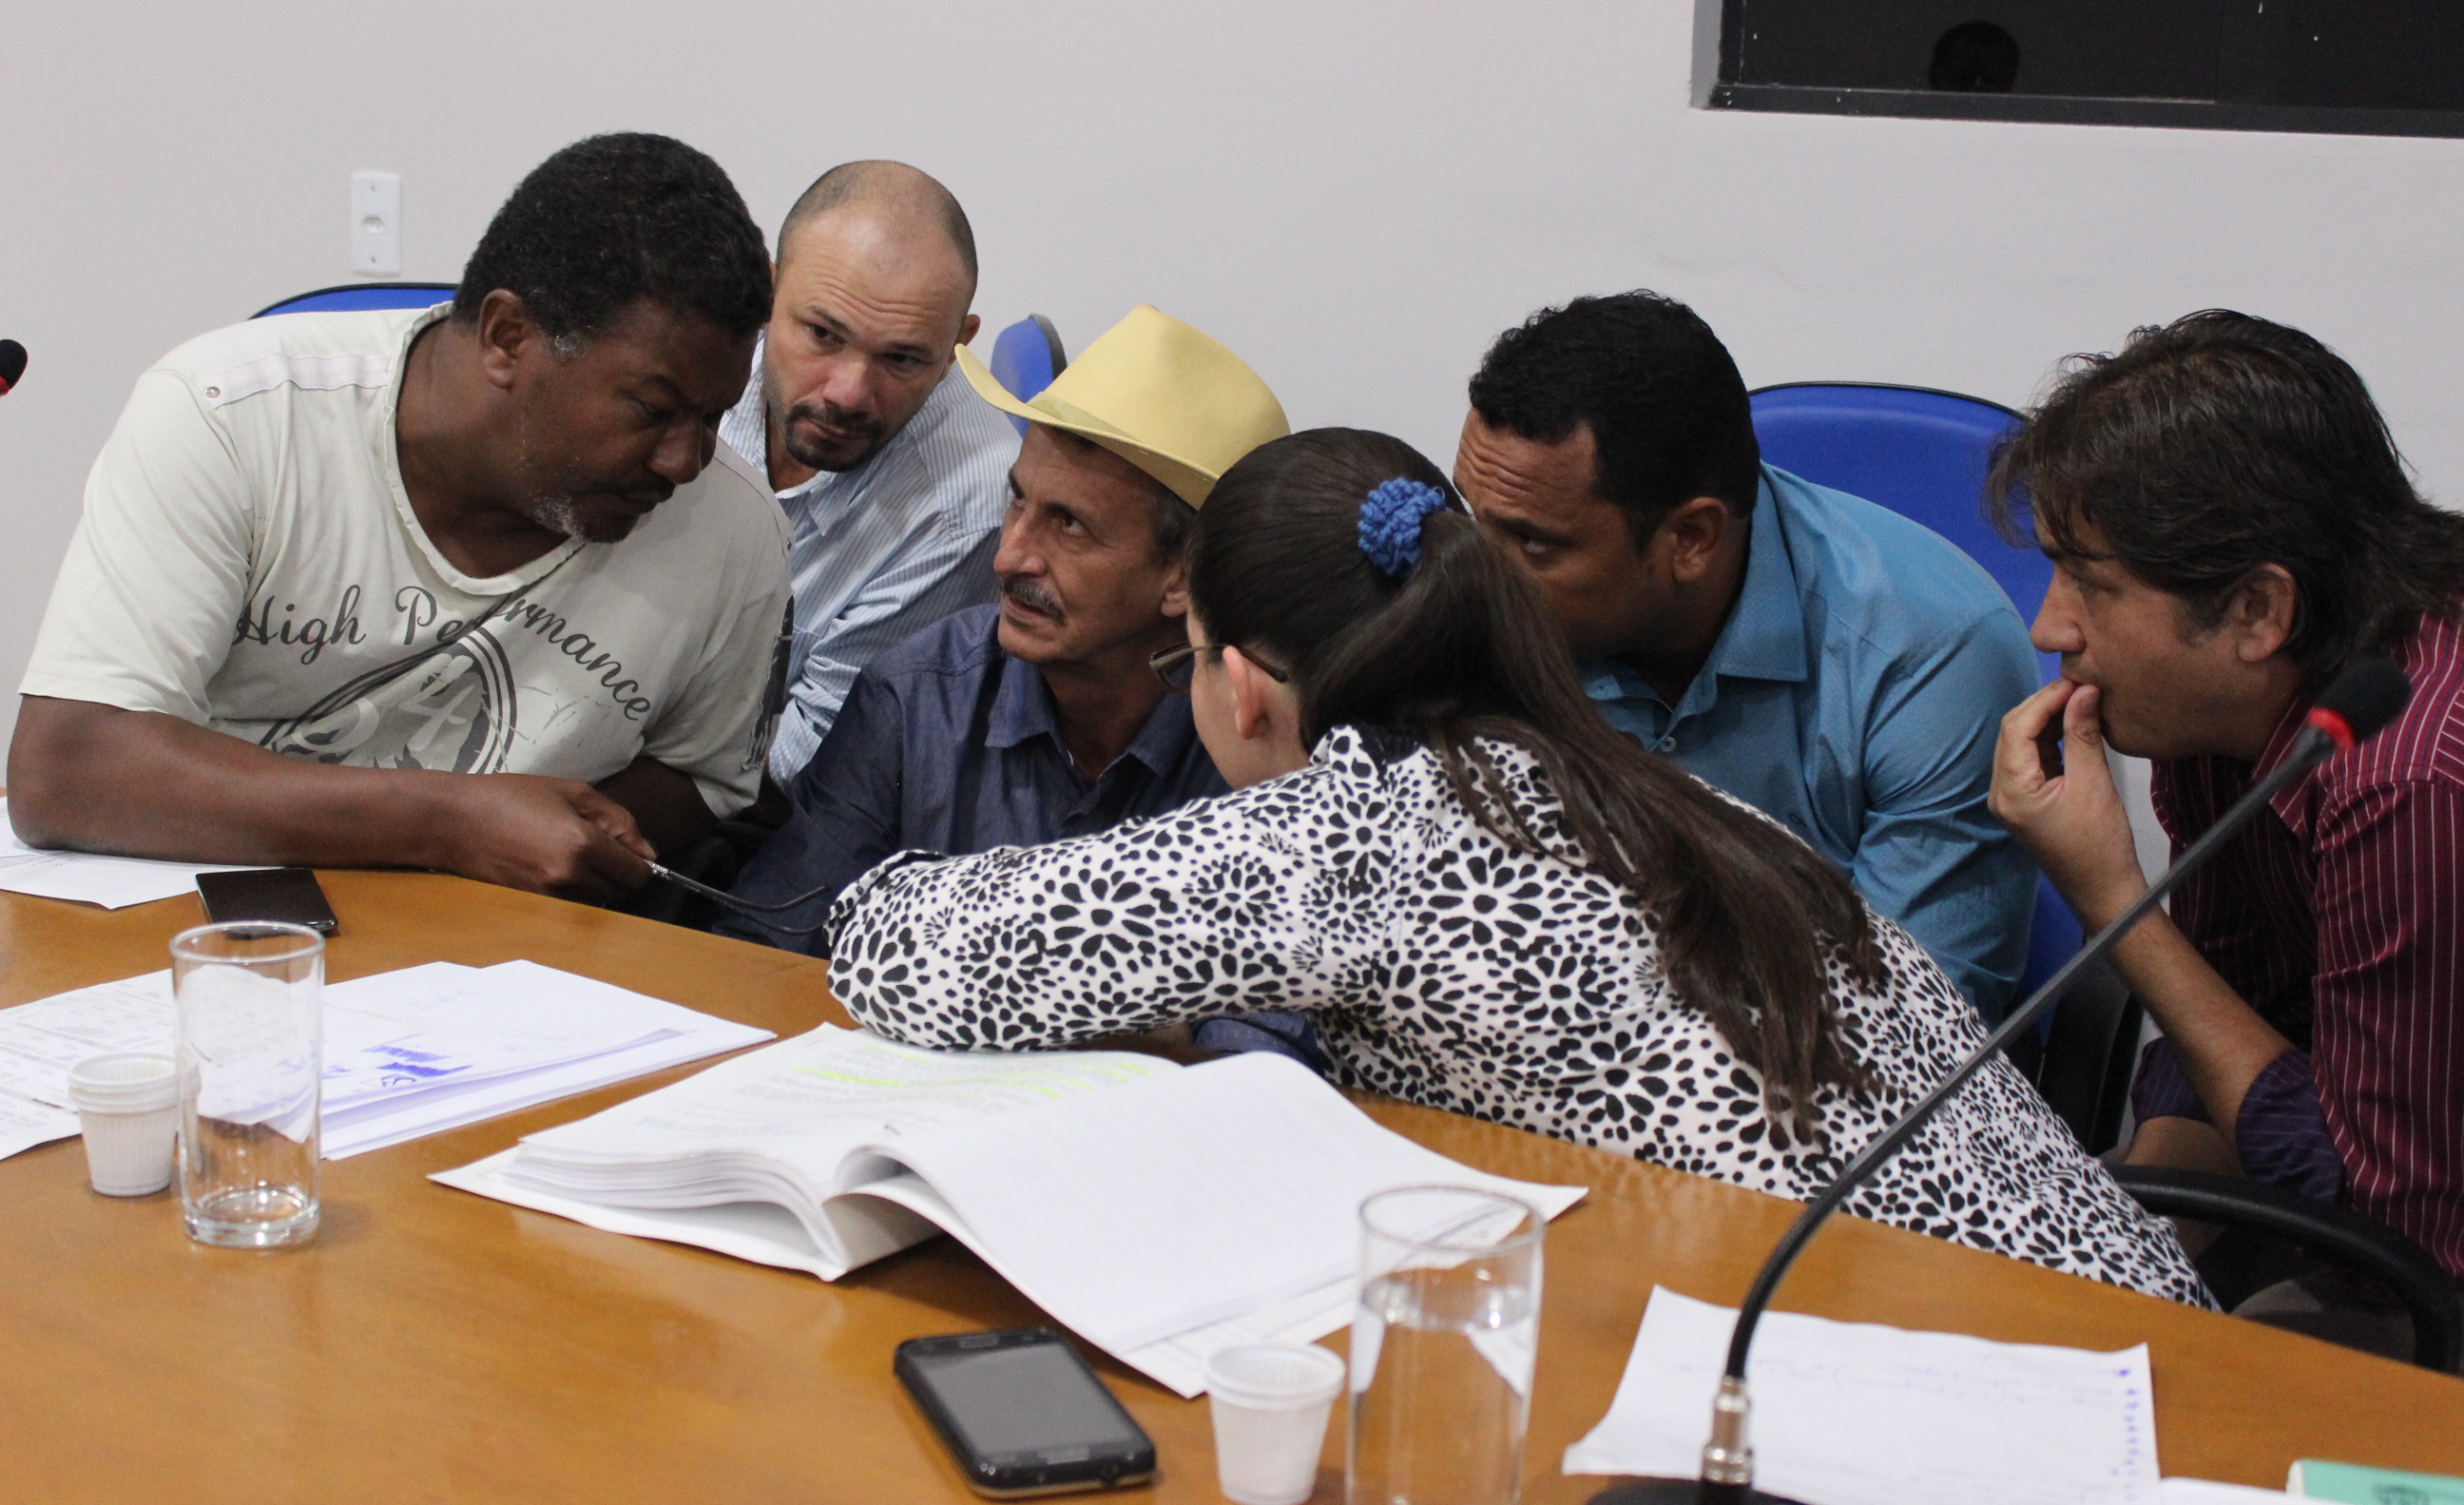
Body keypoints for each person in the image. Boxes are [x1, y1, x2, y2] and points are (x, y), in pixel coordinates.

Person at [822, 427, 2207, 1302]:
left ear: (1239, 687)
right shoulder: (1631, 783)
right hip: (2146, 1329)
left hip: (1960, 1387)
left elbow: (901, 947)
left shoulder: (1365, 833)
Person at [7, 133, 790, 901]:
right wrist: (445, 825)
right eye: (652, 409)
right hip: (203, 931)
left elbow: (701, 778)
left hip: (493, 953)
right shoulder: (232, 415)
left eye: (713, 416)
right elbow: (66, 770)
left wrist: (571, 843)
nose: (683, 462)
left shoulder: (736, 530)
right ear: (507, 337)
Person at [1987, 312, 2464, 1301]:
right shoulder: (2215, 715)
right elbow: (2235, 1020)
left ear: (2256, 611)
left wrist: (2115, 904)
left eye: (2090, 585)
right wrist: (2133, 1249)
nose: (2048, 627)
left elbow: (2392, 1243)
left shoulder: (2411, 782)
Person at [1453, 292, 2041, 1021]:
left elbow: (1909, 1028)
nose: (1476, 573)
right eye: (1473, 517)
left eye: (1532, 544)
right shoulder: (1482, 603)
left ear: (1691, 539)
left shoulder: (1931, 655)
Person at [716, 305, 1289, 953]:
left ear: (1184, 574)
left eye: (1070, 525)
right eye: (1017, 499)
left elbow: (1277, 1007)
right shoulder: (917, 698)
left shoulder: (1264, 749)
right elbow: (764, 948)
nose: (1010, 557)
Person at [719, 160, 1018, 781]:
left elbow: (802, 767)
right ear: (768, 293)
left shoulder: (964, 509)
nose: (848, 393)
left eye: (902, 359)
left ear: (956, 346)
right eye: (823, 334)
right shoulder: (687, 363)